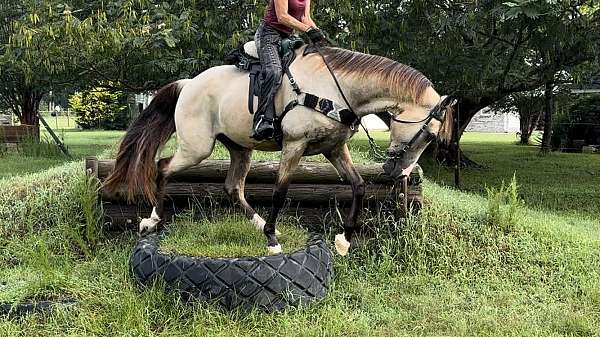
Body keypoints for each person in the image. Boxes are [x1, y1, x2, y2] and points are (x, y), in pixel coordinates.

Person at [252, 0, 326, 141]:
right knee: (274, 71)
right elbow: (282, 16)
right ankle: (262, 119)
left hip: (289, 37)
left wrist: (319, 35)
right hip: (268, 35)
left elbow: (305, 18)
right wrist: (308, 30)